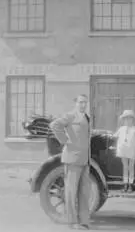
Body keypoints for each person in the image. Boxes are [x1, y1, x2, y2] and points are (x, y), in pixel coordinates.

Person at [49, 94, 91, 230]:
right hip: (72, 158)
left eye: (85, 102)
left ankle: (84, 221)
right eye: (80, 102)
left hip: (85, 159)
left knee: (84, 192)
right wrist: (65, 140)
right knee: (71, 192)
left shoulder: (86, 117)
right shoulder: (70, 115)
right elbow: (54, 125)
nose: (83, 105)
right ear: (75, 103)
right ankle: (71, 222)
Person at [113, 110, 135, 193]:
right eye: (125, 119)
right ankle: (125, 183)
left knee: (131, 167)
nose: (127, 121)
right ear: (123, 120)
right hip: (123, 151)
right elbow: (115, 136)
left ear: (133, 120)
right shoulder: (121, 129)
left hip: (132, 151)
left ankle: (131, 184)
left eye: (129, 119)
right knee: (125, 167)